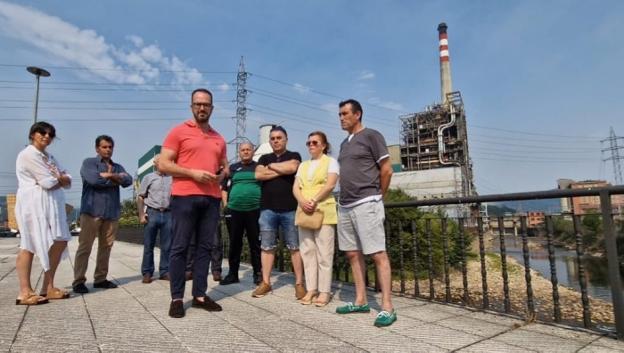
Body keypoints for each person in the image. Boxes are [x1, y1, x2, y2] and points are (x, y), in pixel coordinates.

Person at [159, 88, 229, 318]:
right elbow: (164, 164)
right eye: (198, 104)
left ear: (212, 108)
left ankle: (199, 295)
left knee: (205, 248)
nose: (202, 108)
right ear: (191, 106)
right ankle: (177, 298)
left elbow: (225, 165)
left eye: (206, 104)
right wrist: (192, 174)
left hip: (211, 199)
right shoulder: (178, 132)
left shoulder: (219, 138)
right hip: (184, 196)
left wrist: (222, 174)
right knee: (179, 248)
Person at [335, 99, 397, 327]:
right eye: (339, 114)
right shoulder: (344, 144)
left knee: (377, 253)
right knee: (352, 253)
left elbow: (387, 170)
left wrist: (379, 195)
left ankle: (387, 307)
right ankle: (361, 300)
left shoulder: (372, 135)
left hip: (367, 202)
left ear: (357, 114)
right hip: (346, 204)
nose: (341, 118)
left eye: (345, 114)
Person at [14, 122, 72, 305]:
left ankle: (48, 286)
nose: (46, 136)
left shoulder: (49, 157)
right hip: (33, 203)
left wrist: (59, 178)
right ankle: (24, 291)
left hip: (52, 203)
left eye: (50, 134)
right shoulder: (28, 155)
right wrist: (58, 178)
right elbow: (47, 181)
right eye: (42, 132)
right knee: (29, 243)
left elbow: (67, 179)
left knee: (61, 239)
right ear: (33, 134)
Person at [73, 135, 132, 294]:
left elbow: (128, 181)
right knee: (85, 247)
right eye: (104, 147)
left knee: (106, 247)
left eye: (110, 147)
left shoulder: (117, 166)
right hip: (92, 212)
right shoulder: (89, 163)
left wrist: (110, 175)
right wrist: (115, 179)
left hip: (111, 212)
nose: (108, 149)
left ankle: (100, 279)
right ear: (97, 148)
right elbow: (94, 180)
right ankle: (78, 281)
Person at [252, 126, 304, 299]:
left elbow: (293, 168)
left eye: (279, 138)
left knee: (295, 247)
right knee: (267, 247)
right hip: (267, 209)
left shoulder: (294, 155)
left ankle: (299, 284)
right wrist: (280, 169)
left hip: (290, 208)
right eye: (273, 138)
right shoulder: (263, 157)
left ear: (286, 139)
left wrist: (272, 167)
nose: (276, 141)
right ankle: (266, 283)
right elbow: (258, 175)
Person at [292, 131, 338, 306]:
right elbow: (296, 187)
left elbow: (330, 184)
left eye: (315, 142)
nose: (311, 145)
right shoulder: (303, 165)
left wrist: (314, 200)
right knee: (307, 251)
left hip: (323, 210)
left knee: (324, 253)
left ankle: (324, 291)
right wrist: (303, 201)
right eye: (309, 142)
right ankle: (311, 288)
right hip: (304, 211)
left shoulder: (331, 162)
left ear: (324, 145)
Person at [220, 142, 262, 286]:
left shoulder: (259, 167)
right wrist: (226, 205)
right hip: (234, 211)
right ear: (239, 152)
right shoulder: (232, 168)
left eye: (248, 149)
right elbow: (224, 188)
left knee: (255, 243)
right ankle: (233, 274)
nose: (245, 152)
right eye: (243, 150)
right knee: (234, 243)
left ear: (253, 151)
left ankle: (258, 274)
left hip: (255, 210)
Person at [137, 154, 172, 283]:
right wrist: (141, 214)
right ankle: (147, 272)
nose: (163, 164)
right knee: (148, 245)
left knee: (167, 245)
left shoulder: (172, 178)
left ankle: (165, 271)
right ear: (155, 163)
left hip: (169, 214)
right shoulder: (148, 178)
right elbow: (141, 196)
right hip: (152, 213)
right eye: (160, 161)